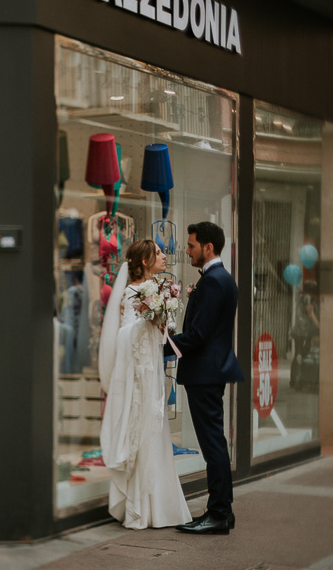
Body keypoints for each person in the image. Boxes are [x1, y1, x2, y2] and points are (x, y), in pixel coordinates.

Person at [99, 239, 192, 529]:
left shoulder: (159, 290)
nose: (164, 256)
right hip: (140, 375)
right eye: (159, 253)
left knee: (157, 429)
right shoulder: (131, 292)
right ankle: (140, 506)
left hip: (154, 372)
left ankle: (160, 505)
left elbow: (163, 334)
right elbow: (125, 333)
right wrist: (149, 316)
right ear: (144, 262)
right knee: (143, 430)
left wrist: (162, 319)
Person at [167, 221, 244, 535]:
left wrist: (163, 347)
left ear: (208, 247)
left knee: (212, 444)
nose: (187, 250)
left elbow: (198, 334)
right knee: (215, 443)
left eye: (192, 245)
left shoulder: (213, 281)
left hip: (205, 372)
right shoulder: (221, 278)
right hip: (211, 370)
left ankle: (219, 513)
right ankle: (222, 510)